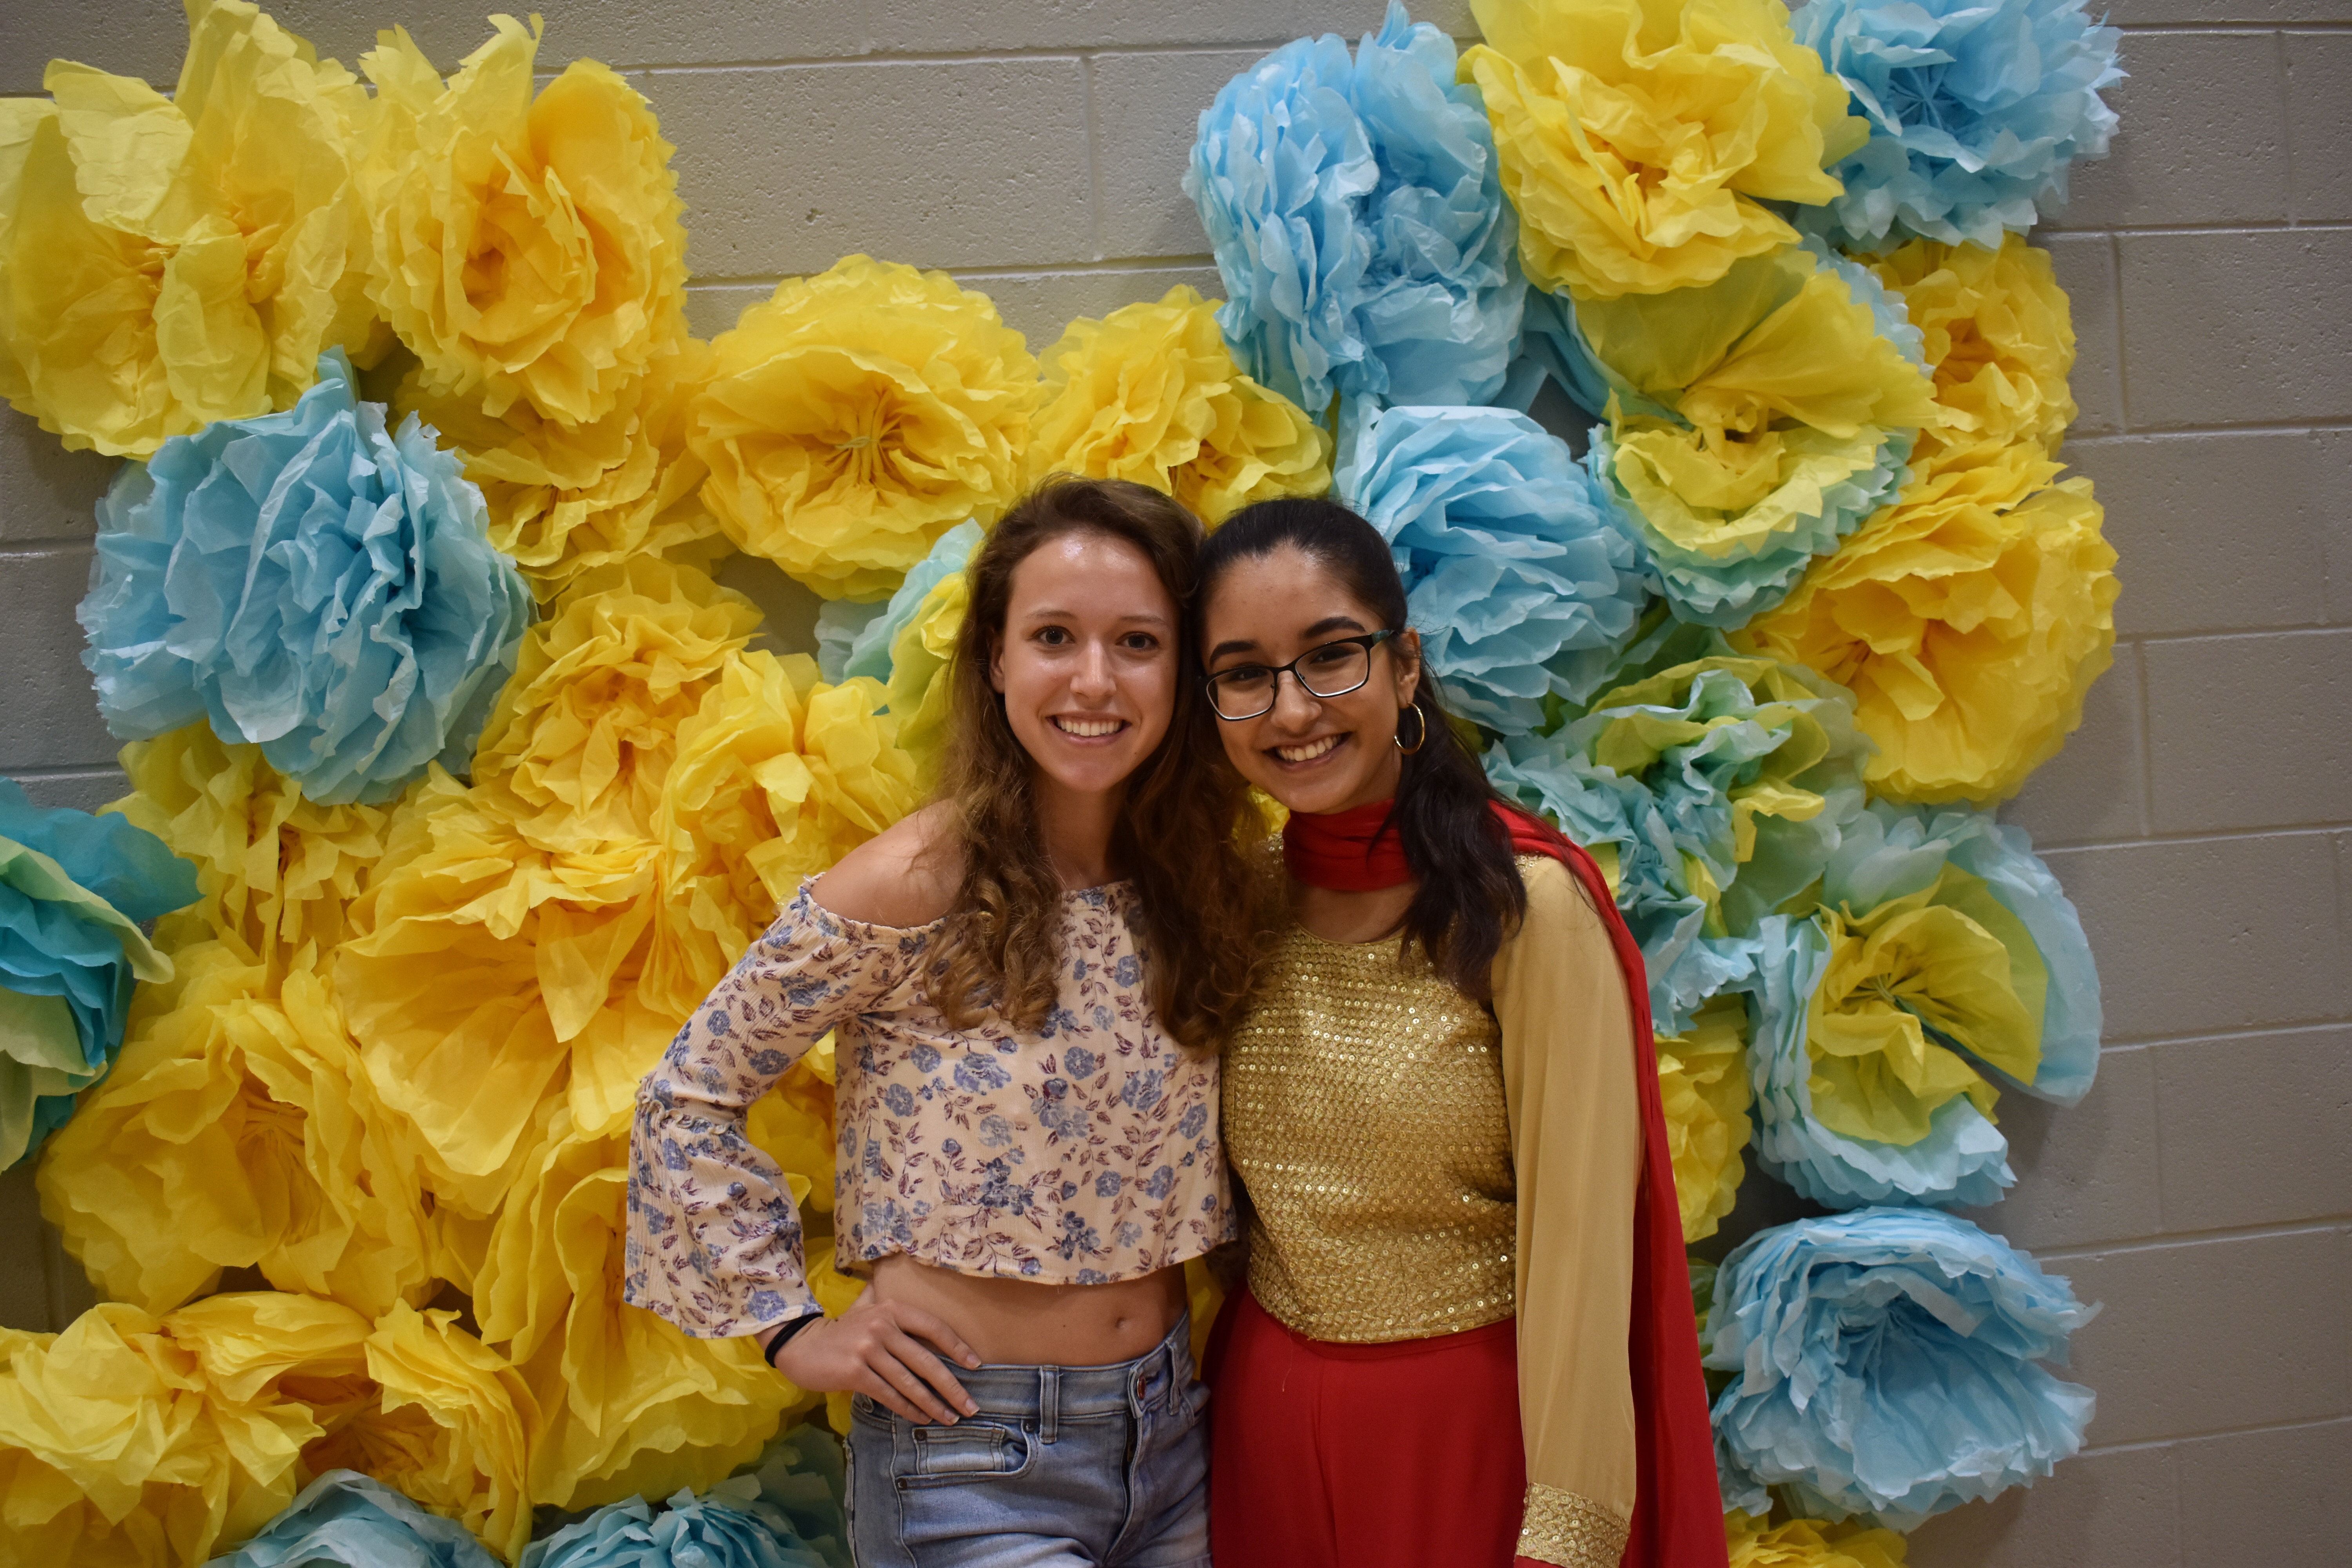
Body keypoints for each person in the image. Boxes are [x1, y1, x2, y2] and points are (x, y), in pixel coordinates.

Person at [624, 477, 1263, 1568]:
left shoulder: (1201, 881)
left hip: (1174, 1439)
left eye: (1138, 642)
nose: (1094, 680)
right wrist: (793, 1332)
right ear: (996, 660)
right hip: (969, 1456)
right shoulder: (915, 882)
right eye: (1053, 637)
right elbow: (689, 1094)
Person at [1192, 498, 1725, 1568]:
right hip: (1262, 1435)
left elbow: (1585, 1255)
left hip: (1472, 1443)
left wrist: (1567, 1535)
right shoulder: (1238, 901)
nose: (1292, 709)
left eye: (1330, 656)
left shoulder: (1522, 904)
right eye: (1245, 674)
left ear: (1405, 666)